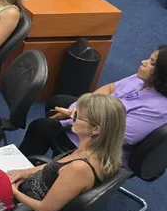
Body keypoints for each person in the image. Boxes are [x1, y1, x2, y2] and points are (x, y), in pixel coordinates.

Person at [19, 46, 167, 160]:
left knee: (40, 128)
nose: (144, 62)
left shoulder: (158, 110)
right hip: (95, 116)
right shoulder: (143, 78)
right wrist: (80, 107)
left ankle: (22, 173)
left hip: (101, 145)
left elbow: (114, 136)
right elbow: (109, 88)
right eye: (149, 58)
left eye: (152, 63)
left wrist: (76, 116)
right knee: (57, 101)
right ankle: (58, 156)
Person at [10, 93, 125, 211]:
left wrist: (13, 191)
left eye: (78, 116)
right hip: (27, 193)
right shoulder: (93, 150)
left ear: (96, 129)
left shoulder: (80, 169)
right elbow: (58, 166)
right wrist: (25, 172)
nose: (72, 117)